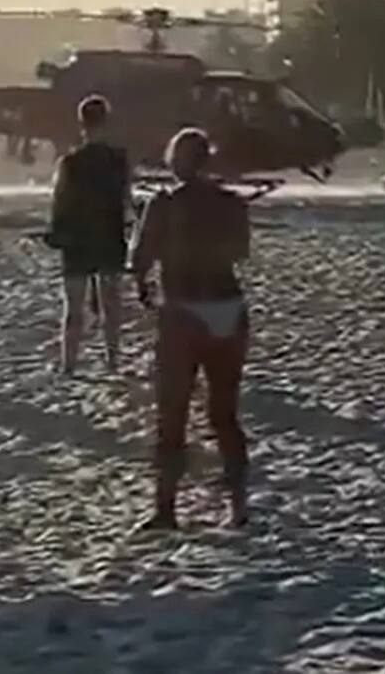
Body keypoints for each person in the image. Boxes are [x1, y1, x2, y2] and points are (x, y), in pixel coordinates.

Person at [129, 127, 251, 531]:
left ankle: (165, 510)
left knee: (173, 413)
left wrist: (145, 286)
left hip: (183, 310)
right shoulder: (231, 204)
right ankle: (238, 506)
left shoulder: (164, 205)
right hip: (228, 309)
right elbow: (239, 252)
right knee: (224, 414)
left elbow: (140, 257)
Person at [48, 95, 130, 375]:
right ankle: (112, 361)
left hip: (77, 240)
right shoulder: (118, 160)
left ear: (81, 123)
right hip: (109, 236)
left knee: (73, 309)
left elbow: (59, 203)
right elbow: (126, 200)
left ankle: (68, 364)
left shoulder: (70, 162)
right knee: (111, 305)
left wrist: (56, 233)